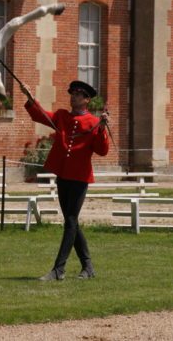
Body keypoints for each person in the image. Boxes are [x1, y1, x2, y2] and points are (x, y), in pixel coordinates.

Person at [21, 80, 109, 281]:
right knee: (72, 222)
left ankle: (58, 269)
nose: (73, 96)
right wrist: (29, 96)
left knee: (70, 221)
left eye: (78, 94)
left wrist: (102, 129)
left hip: (80, 177)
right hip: (63, 175)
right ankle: (88, 266)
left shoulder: (94, 122)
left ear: (86, 99)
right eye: (72, 93)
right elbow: (41, 115)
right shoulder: (62, 116)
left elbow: (102, 151)